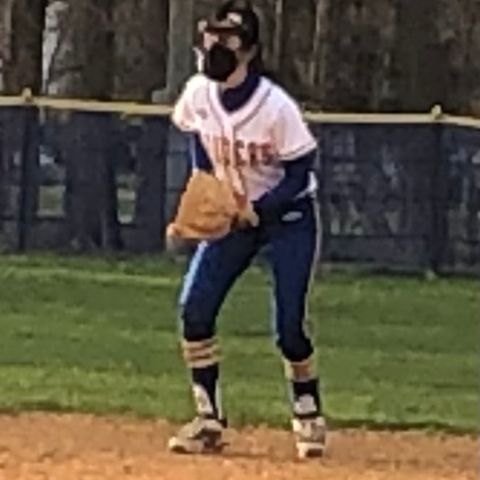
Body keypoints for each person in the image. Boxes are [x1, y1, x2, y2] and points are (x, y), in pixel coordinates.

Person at [168, 0, 326, 459]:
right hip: (234, 217)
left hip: (289, 220)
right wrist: (207, 191)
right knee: (195, 309)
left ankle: (308, 412)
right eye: (212, 37)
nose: (216, 46)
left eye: (229, 39)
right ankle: (208, 418)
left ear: (250, 50)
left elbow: (300, 172)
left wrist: (260, 208)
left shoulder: (275, 107)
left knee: (288, 327)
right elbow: (197, 136)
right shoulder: (198, 92)